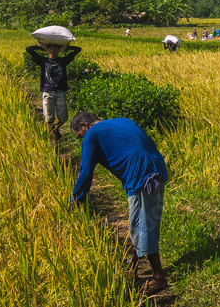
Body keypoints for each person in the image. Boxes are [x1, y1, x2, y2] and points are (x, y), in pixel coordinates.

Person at [70, 112, 169, 294]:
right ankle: (132, 270)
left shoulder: (92, 134)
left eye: (79, 136)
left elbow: (85, 172)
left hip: (140, 172)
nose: (81, 140)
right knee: (139, 222)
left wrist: (76, 199)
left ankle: (158, 277)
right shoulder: (124, 120)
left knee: (144, 225)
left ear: (84, 125)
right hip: (157, 166)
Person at [26, 42, 82, 147]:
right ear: (47, 50)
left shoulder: (63, 61)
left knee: (63, 117)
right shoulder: (43, 61)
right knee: (48, 117)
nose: (53, 51)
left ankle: (56, 128)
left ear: (59, 50)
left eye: (56, 49)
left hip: (60, 92)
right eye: (51, 49)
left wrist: (67, 48)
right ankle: (53, 133)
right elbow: (28, 49)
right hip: (47, 92)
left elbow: (78, 50)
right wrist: (40, 48)